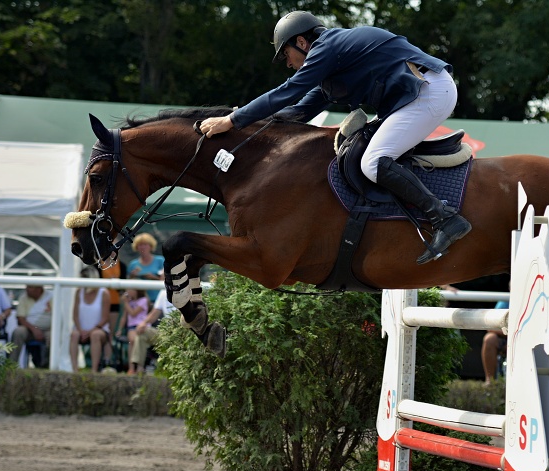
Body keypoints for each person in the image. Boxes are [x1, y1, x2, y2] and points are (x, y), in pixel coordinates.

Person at [198, 11, 470, 265]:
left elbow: (288, 91)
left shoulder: (327, 48)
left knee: (372, 162)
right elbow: (299, 111)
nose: (289, 64)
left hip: (429, 91)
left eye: (287, 55)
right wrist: (244, 122)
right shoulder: (332, 61)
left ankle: (445, 218)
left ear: (302, 42)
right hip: (421, 93)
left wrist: (230, 120)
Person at [70, 266, 111, 373]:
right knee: (74, 335)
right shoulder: (79, 292)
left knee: (95, 335)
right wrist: (80, 330)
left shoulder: (104, 293)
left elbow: (105, 318)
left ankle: (94, 369)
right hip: (81, 330)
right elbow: (75, 315)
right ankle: (74, 369)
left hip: (99, 330)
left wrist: (90, 331)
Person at [129, 291, 175, 374]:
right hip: (165, 333)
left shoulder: (187, 290)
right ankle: (138, 369)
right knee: (142, 332)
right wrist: (143, 323)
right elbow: (154, 313)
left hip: (181, 333)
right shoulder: (163, 293)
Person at [11, 284, 53, 368]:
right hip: (29, 329)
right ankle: (11, 365)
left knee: (53, 336)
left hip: (49, 329)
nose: (26, 289)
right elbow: (20, 318)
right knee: (18, 332)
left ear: (39, 288)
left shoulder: (52, 296)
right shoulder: (23, 298)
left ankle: (49, 366)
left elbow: (58, 316)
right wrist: (34, 329)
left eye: (30, 287)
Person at [119, 285, 149, 375]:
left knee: (137, 339)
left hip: (142, 326)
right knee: (132, 340)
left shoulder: (144, 300)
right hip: (131, 327)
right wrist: (120, 329)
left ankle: (139, 366)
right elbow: (124, 317)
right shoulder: (129, 302)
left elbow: (133, 313)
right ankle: (131, 368)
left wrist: (125, 303)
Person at [126, 233, 164, 302]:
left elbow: (168, 281)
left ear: (151, 246)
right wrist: (132, 276)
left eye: (145, 244)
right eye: (140, 245)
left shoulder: (160, 261)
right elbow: (127, 286)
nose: (143, 247)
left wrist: (154, 278)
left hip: (158, 300)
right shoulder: (133, 264)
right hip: (139, 303)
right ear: (136, 247)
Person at [481, 300, 509, 384]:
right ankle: (490, 382)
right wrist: (512, 335)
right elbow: (491, 327)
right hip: (506, 339)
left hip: (526, 341)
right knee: (489, 339)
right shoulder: (504, 302)